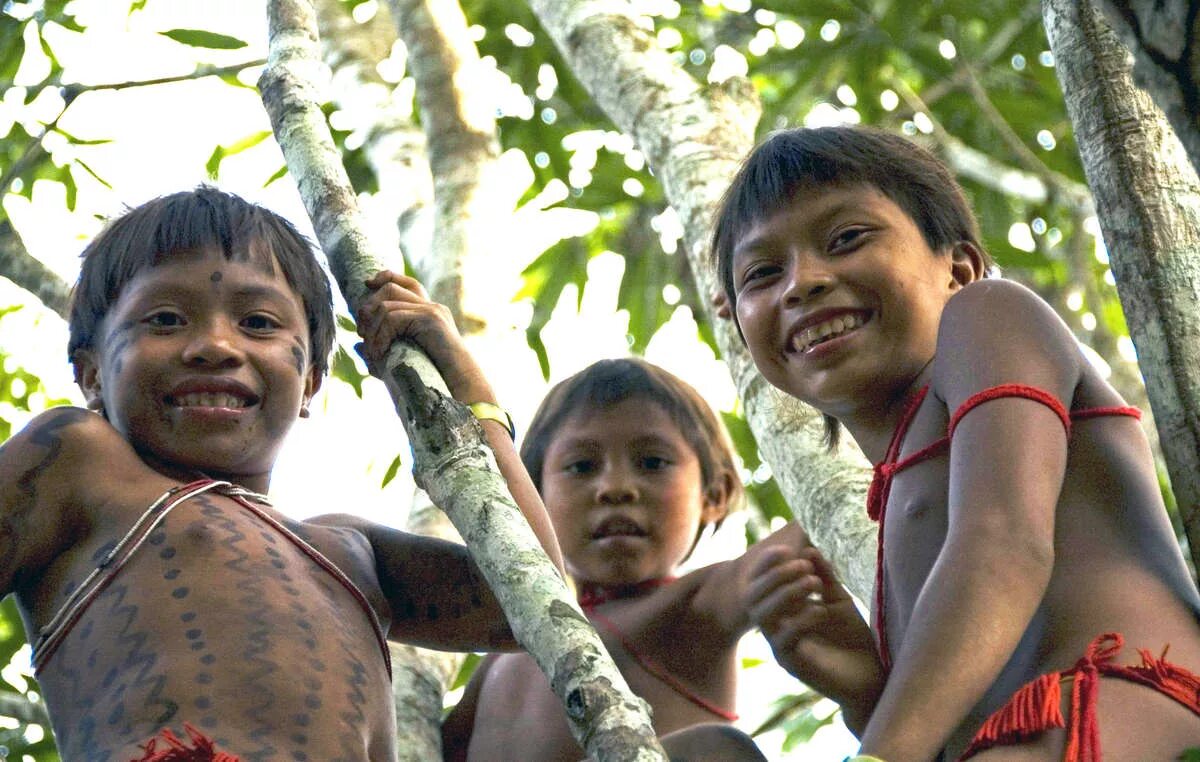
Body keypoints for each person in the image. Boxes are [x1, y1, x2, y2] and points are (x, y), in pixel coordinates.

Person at [0, 186, 565, 761]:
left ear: (312, 381)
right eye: (166, 319)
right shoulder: (74, 460)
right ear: (91, 374)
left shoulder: (350, 549)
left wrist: (466, 385)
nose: (216, 345)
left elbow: (530, 607)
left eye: (259, 323)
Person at [712, 125, 1200, 760]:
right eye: (762, 273)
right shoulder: (898, 499)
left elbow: (1004, 543)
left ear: (959, 268)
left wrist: (879, 753)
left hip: (1115, 700)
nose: (802, 283)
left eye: (847, 239)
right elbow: (951, 718)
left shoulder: (987, 315)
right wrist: (864, 689)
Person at [440, 358, 851, 761]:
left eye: (652, 463)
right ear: (534, 496)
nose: (615, 488)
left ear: (715, 495)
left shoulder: (694, 607)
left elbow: (826, 516)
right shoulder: (508, 645)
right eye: (581, 466)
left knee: (718, 750)